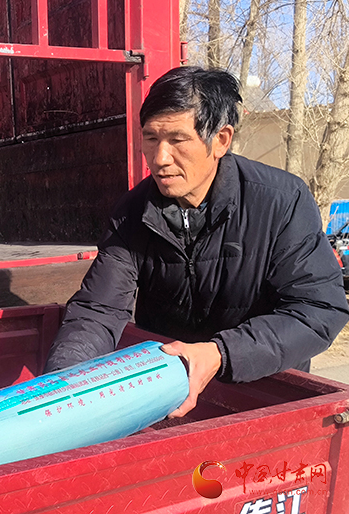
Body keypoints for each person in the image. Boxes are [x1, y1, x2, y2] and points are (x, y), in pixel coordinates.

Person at [44, 66, 349, 418]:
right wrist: (62, 385)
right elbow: (99, 310)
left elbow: (317, 310)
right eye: (151, 138)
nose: (160, 158)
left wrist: (220, 353)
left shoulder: (281, 201)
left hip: (261, 396)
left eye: (177, 140)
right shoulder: (132, 212)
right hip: (169, 395)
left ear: (220, 140)